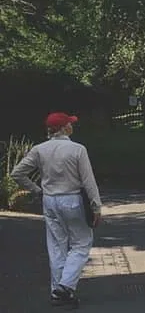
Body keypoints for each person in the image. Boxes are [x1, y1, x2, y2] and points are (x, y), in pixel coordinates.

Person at [11, 112, 103, 309]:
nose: (72, 126)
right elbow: (88, 182)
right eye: (70, 123)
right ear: (64, 128)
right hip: (72, 199)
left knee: (56, 246)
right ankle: (66, 285)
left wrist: (37, 189)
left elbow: (17, 173)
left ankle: (57, 291)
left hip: (50, 200)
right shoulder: (77, 149)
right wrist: (96, 207)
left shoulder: (40, 150)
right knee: (81, 243)